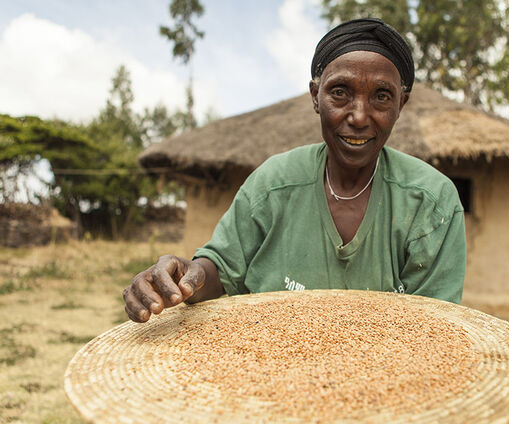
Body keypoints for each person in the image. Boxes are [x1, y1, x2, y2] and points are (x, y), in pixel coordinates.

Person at [123, 18, 466, 323]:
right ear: (316, 97)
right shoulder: (273, 183)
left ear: (401, 104)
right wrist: (187, 275)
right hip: (268, 374)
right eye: (340, 92)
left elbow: (431, 327)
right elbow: (219, 270)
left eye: (381, 96)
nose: (359, 116)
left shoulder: (430, 203)